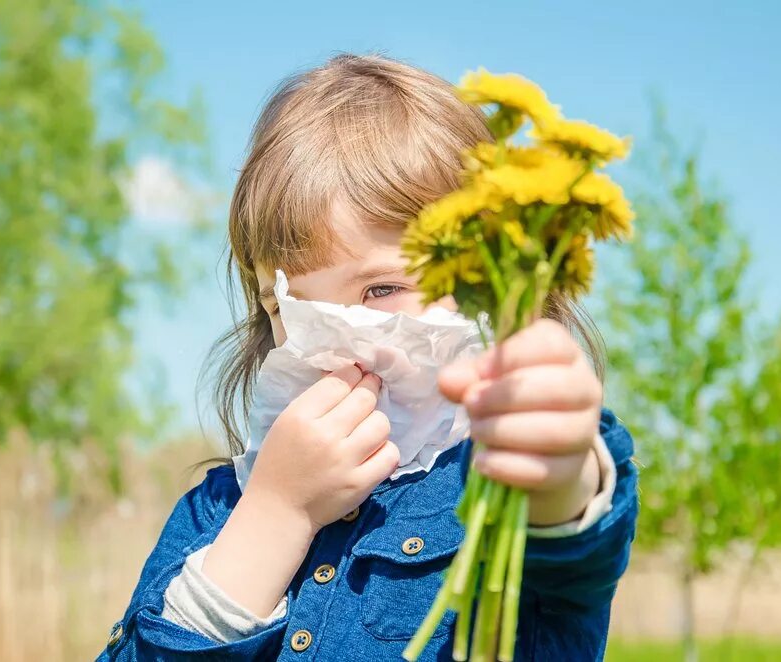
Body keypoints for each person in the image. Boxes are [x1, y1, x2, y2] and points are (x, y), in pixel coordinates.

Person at [97, 52, 638, 661]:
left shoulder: (497, 485)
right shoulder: (222, 510)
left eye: (382, 290)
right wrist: (275, 514)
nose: (335, 348)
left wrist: (560, 463)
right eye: (290, 310)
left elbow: (573, 554)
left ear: (491, 284)